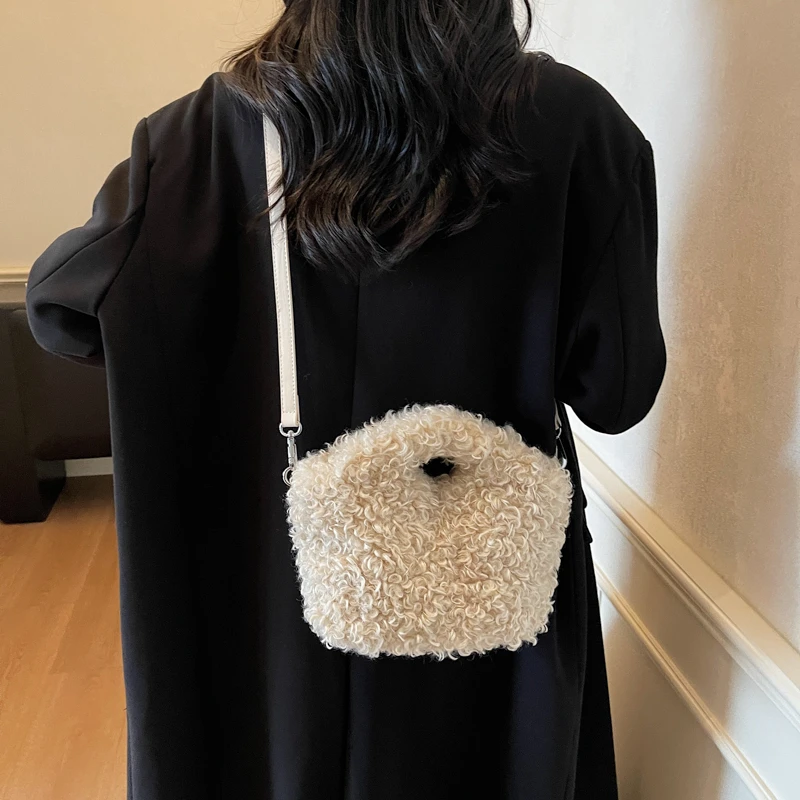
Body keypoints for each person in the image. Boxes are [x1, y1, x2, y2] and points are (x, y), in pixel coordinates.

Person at [26, 0, 666, 798]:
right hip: (492, 623)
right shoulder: (577, 127)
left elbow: (57, 308)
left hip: (261, 614)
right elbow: (617, 392)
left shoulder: (193, 141)